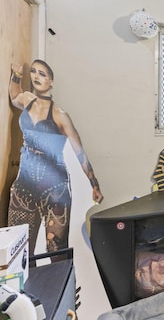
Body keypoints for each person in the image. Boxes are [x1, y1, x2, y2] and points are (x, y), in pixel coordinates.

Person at [8, 60, 103, 257]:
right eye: (33, 72)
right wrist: (16, 75)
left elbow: (79, 152)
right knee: (19, 248)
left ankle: (61, 285)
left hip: (54, 188)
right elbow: (14, 95)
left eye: (42, 74)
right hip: (24, 185)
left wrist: (94, 184)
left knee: (56, 250)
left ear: (51, 82)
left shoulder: (60, 115)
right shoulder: (26, 99)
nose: (36, 76)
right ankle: (24, 287)